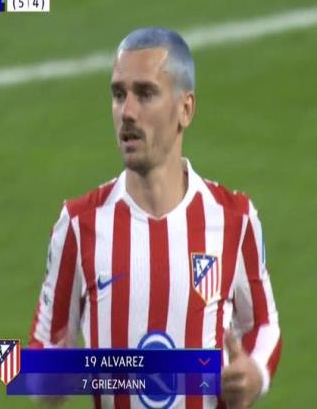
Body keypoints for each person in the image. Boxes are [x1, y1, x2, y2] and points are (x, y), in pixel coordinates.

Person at [28, 28, 282, 409]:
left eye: (145, 94)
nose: (127, 112)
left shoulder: (234, 218)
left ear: (185, 109)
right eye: (119, 94)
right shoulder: (79, 225)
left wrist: (256, 373)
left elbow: (263, 324)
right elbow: (40, 355)